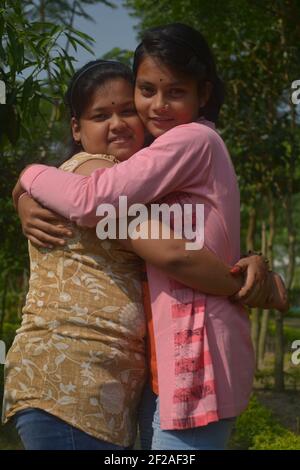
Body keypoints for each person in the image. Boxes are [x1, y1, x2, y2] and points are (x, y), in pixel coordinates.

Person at [13, 24, 288, 450]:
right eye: (147, 90)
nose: (156, 106)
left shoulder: (189, 139)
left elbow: (115, 214)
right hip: (103, 380)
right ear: (75, 127)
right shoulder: (123, 169)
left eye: (175, 92)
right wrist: (24, 189)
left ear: (203, 93)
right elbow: (98, 200)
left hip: (186, 365)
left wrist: (28, 176)